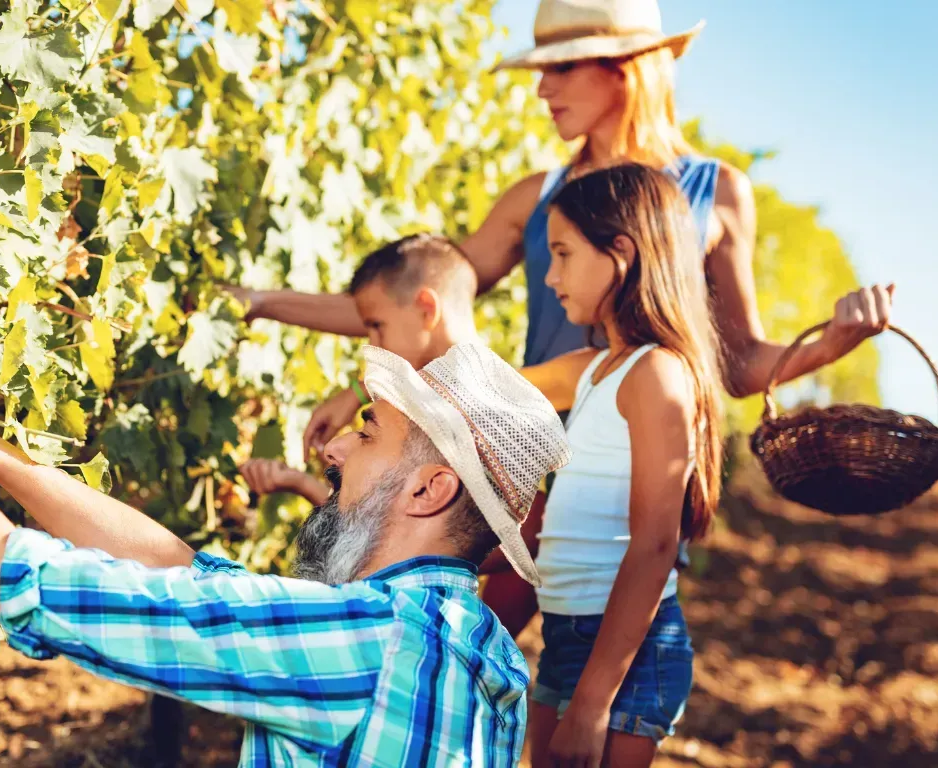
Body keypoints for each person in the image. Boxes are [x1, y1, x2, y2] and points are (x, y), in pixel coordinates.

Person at [229, 0, 895, 640]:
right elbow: (409, 300)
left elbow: (740, 363)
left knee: (606, 672)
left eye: (562, 67)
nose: (543, 89)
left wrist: (830, 344)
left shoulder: (714, 194)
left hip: (638, 472)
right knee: (474, 639)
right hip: (532, 467)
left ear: (626, 67)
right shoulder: (536, 201)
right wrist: (266, 307)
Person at [0, 342, 571, 767]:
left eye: (368, 434)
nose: (333, 453)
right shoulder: (473, 644)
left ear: (427, 491)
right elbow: (189, 577)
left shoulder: (369, 644)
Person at [517, 163, 727, 767]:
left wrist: (590, 704)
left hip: (620, 656)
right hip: (566, 635)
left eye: (562, 254)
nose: (551, 277)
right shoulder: (594, 369)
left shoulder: (656, 375)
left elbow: (655, 545)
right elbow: (483, 387)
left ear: (622, 253)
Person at [240, 233, 482, 505]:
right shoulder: (433, 398)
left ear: (427, 309)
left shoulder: (467, 417)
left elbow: (386, 531)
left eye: (377, 326)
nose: (371, 344)